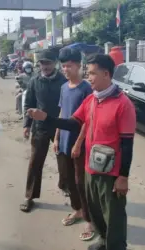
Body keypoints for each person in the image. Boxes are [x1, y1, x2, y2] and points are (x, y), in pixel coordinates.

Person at [27, 54, 136, 250]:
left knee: (114, 217)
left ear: (106, 74)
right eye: (88, 72)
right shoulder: (92, 100)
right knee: (95, 211)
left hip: (111, 173)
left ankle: (115, 246)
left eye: (92, 73)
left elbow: (127, 144)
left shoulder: (123, 104)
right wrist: (46, 118)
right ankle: (103, 240)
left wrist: (123, 177)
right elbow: (72, 123)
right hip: (91, 167)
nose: (89, 77)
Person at [20, 49, 67, 213]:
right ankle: (29, 196)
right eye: (42, 63)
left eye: (48, 63)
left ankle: (64, 185)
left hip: (59, 127)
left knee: (63, 160)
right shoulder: (34, 81)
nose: (45, 66)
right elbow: (29, 103)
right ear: (39, 65)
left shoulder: (63, 81)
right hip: (39, 128)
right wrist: (26, 125)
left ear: (55, 63)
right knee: (35, 162)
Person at [55, 48, 94, 241]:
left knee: (81, 183)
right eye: (63, 66)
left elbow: (88, 119)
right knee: (69, 181)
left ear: (78, 65)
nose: (65, 69)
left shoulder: (86, 88)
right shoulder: (64, 87)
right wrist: (56, 138)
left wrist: (78, 143)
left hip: (79, 143)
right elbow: (62, 114)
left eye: (69, 66)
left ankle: (90, 219)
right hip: (63, 142)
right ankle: (77, 210)